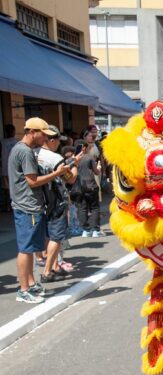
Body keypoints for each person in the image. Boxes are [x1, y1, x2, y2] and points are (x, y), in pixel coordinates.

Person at [9, 118, 70, 303]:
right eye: (43, 133)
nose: (45, 137)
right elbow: (32, 181)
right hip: (27, 206)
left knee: (31, 247)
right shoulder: (25, 152)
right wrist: (57, 173)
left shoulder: (20, 149)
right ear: (32, 132)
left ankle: (31, 283)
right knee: (26, 249)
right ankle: (24, 289)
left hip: (27, 205)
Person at [37, 126, 80, 282]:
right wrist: (74, 165)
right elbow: (70, 178)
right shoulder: (54, 158)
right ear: (52, 140)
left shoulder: (34, 153)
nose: (59, 145)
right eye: (58, 141)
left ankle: (55, 266)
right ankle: (47, 271)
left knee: (48, 235)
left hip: (41, 200)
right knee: (56, 236)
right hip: (56, 200)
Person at [76, 140, 104, 237]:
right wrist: (99, 167)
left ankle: (85, 230)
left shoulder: (73, 159)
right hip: (91, 185)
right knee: (94, 208)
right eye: (88, 147)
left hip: (79, 186)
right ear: (83, 148)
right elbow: (96, 172)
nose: (89, 149)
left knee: (83, 208)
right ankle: (95, 230)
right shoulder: (89, 158)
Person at [1, 123, 17, 211]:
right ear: (14, 131)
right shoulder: (17, 142)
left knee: (6, 190)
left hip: (5, 169)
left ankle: (8, 206)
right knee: (15, 187)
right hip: (14, 169)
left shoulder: (2, 142)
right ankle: (13, 204)